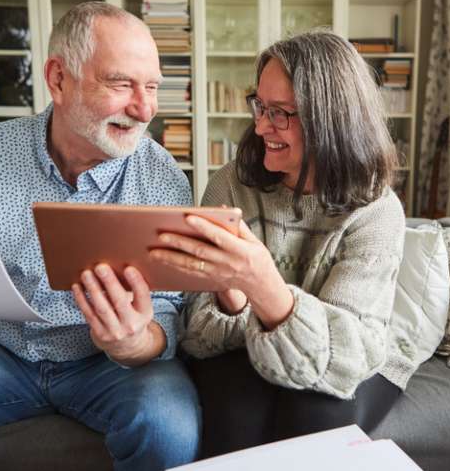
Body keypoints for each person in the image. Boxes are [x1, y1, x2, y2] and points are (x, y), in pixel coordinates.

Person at [0, 2, 199, 471]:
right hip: (7, 357)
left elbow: (172, 307)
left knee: (168, 430)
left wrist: (138, 343)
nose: (144, 108)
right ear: (58, 78)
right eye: (121, 83)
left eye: (151, 87)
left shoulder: (163, 180)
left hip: (112, 368)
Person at [148, 30, 415, 456]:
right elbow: (196, 336)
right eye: (259, 105)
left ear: (330, 119)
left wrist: (263, 286)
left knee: (318, 414)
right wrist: (234, 301)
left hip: (356, 360)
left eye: (280, 113)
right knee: (234, 410)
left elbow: (345, 361)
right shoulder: (231, 185)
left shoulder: (377, 211)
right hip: (250, 350)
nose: (260, 125)